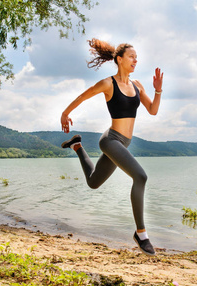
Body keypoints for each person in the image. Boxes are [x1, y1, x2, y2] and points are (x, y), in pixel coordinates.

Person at [60, 38, 163, 256]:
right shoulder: (109, 84)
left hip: (124, 143)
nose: (136, 60)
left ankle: (77, 147)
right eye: (132, 56)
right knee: (141, 177)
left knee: (93, 182)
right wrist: (65, 113)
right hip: (111, 140)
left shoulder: (137, 85)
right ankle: (141, 234)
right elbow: (84, 95)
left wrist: (158, 91)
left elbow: (152, 110)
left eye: (137, 57)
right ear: (119, 59)